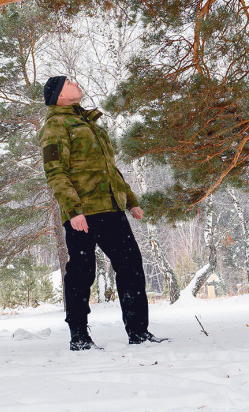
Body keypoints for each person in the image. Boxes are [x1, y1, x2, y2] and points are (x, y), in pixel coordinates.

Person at [39, 75, 165, 351]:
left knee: (131, 266)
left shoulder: (87, 122)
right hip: (82, 213)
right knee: (82, 273)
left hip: (110, 208)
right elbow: (56, 172)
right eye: (69, 82)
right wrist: (73, 211)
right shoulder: (55, 125)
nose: (76, 83)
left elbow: (109, 168)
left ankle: (138, 332)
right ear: (59, 95)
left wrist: (130, 200)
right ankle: (79, 337)